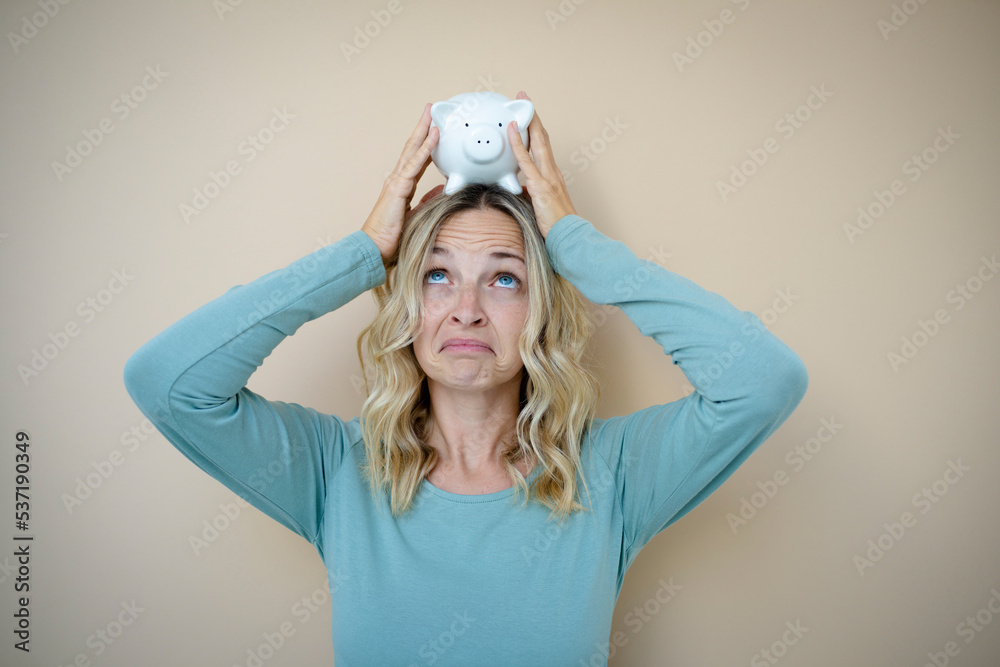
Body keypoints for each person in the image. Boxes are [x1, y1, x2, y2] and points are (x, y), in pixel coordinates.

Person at [123, 91, 808, 666]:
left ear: (540, 309)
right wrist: (364, 252)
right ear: (407, 304)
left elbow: (762, 378)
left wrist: (576, 243)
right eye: (437, 275)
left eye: (505, 278)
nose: (467, 309)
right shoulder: (338, 471)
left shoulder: (612, 473)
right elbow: (168, 382)